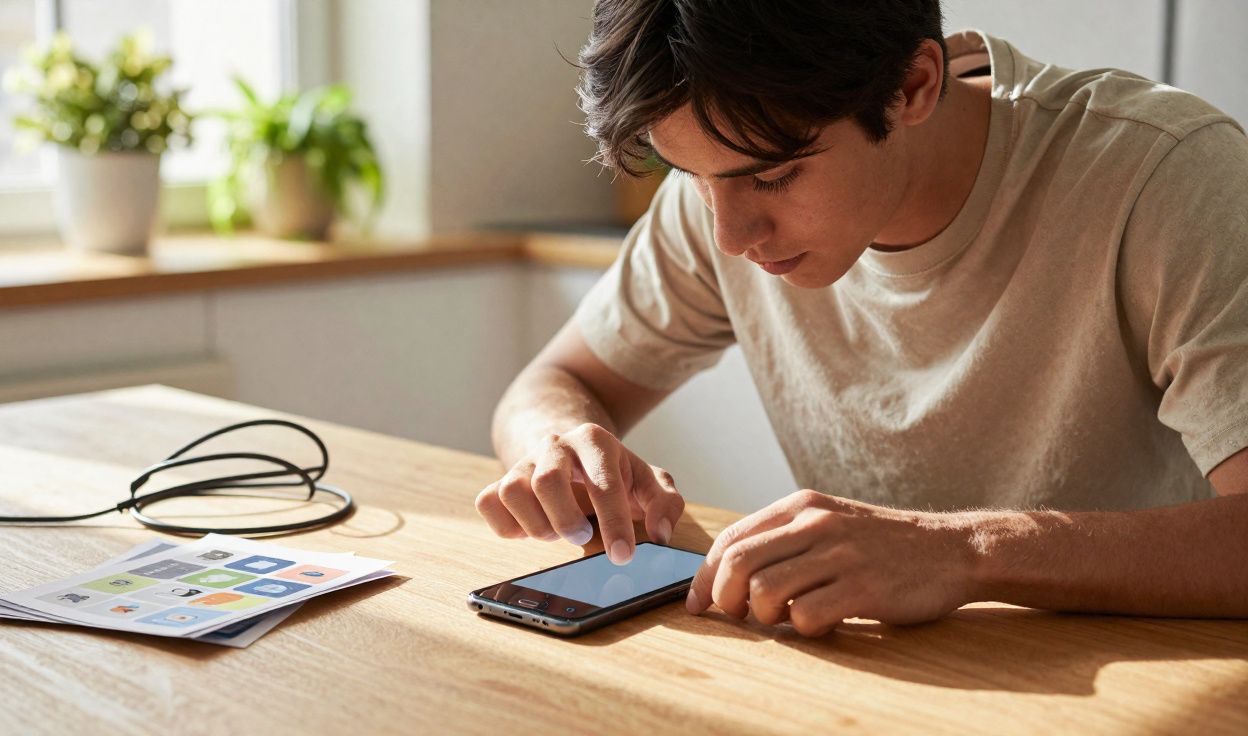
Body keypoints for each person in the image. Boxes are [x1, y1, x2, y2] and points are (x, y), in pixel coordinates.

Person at [476, 0, 1248, 637]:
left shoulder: (1166, 175)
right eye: (688, 175)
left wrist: (967, 551)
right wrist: (560, 449)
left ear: (913, 84)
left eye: (773, 177)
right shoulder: (719, 191)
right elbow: (555, 382)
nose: (730, 237)